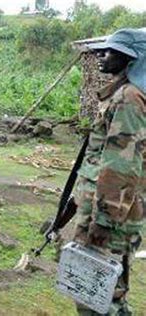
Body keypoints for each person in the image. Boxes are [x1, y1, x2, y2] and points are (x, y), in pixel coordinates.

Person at [73, 29, 146, 315]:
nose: (102, 55)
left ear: (133, 59)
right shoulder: (128, 92)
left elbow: (121, 164)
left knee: (93, 291)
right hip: (115, 208)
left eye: (112, 51)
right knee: (108, 288)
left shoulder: (129, 97)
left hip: (110, 213)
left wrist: (103, 220)